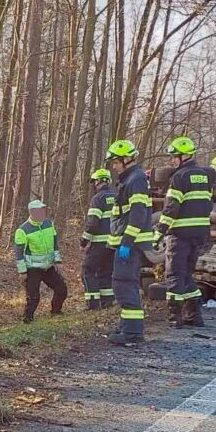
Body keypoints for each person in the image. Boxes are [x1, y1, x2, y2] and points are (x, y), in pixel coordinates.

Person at [157, 136, 214, 328]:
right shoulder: (206, 176)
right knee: (187, 274)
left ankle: (175, 319)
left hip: (179, 234)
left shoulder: (179, 177)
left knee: (174, 275)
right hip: (199, 234)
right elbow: (208, 204)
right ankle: (194, 316)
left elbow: (171, 208)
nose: (172, 160)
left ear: (185, 156)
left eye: (175, 157)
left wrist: (160, 232)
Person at [105, 140, 154, 346]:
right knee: (125, 284)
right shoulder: (131, 179)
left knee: (124, 285)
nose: (113, 167)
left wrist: (126, 242)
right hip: (128, 243)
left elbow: (138, 214)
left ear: (126, 160)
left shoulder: (136, 180)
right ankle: (127, 326)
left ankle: (132, 333)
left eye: (115, 162)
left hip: (130, 245)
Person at [14, 199, 67, 323]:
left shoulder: (49, 223)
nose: (42, 213)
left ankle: (56, 311)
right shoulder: (23, 230)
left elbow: (54, 244)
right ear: (31, 212)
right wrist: (22, 271)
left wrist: (57, 261)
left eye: (43, 210)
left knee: (62, 289)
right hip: (32, 269)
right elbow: (18, 253)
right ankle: (27, 319)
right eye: (39, 211)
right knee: (33, 298)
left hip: (48, 267)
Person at [80, 169, 118, 310]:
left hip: (99, 244)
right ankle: (107, 302)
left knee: (87, 271)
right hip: (114, 244)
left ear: (97, 182)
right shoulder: (117, 196)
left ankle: (93, 304)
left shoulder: (97, 199)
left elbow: (92, 224)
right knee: (106, 272)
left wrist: (84, 241)